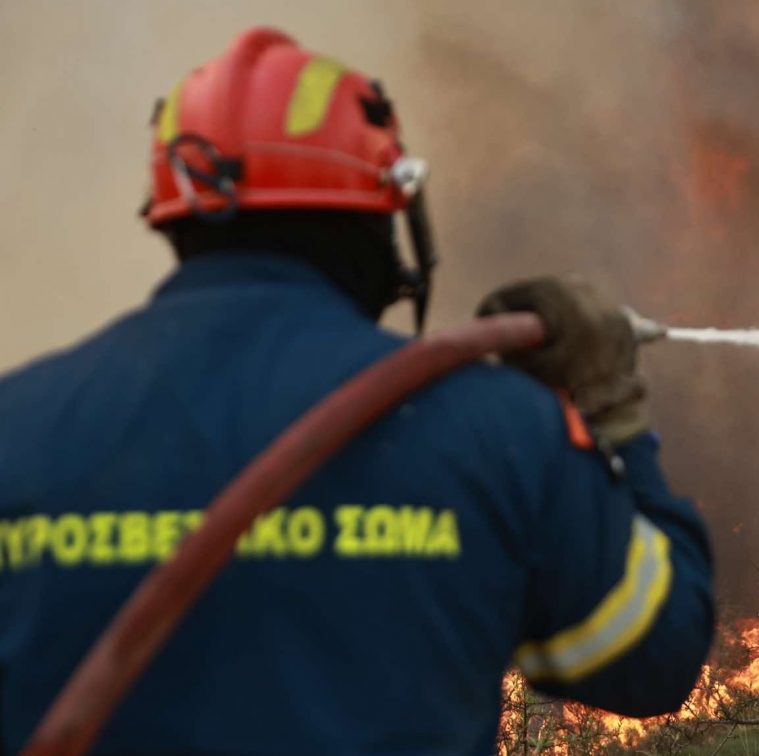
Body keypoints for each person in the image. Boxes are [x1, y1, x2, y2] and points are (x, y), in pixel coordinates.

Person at [0, 27, 713, 755]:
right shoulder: (496, 431)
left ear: (172, 215)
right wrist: (612, 413)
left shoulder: (15, 432)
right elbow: (655, 658)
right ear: (379, 211)